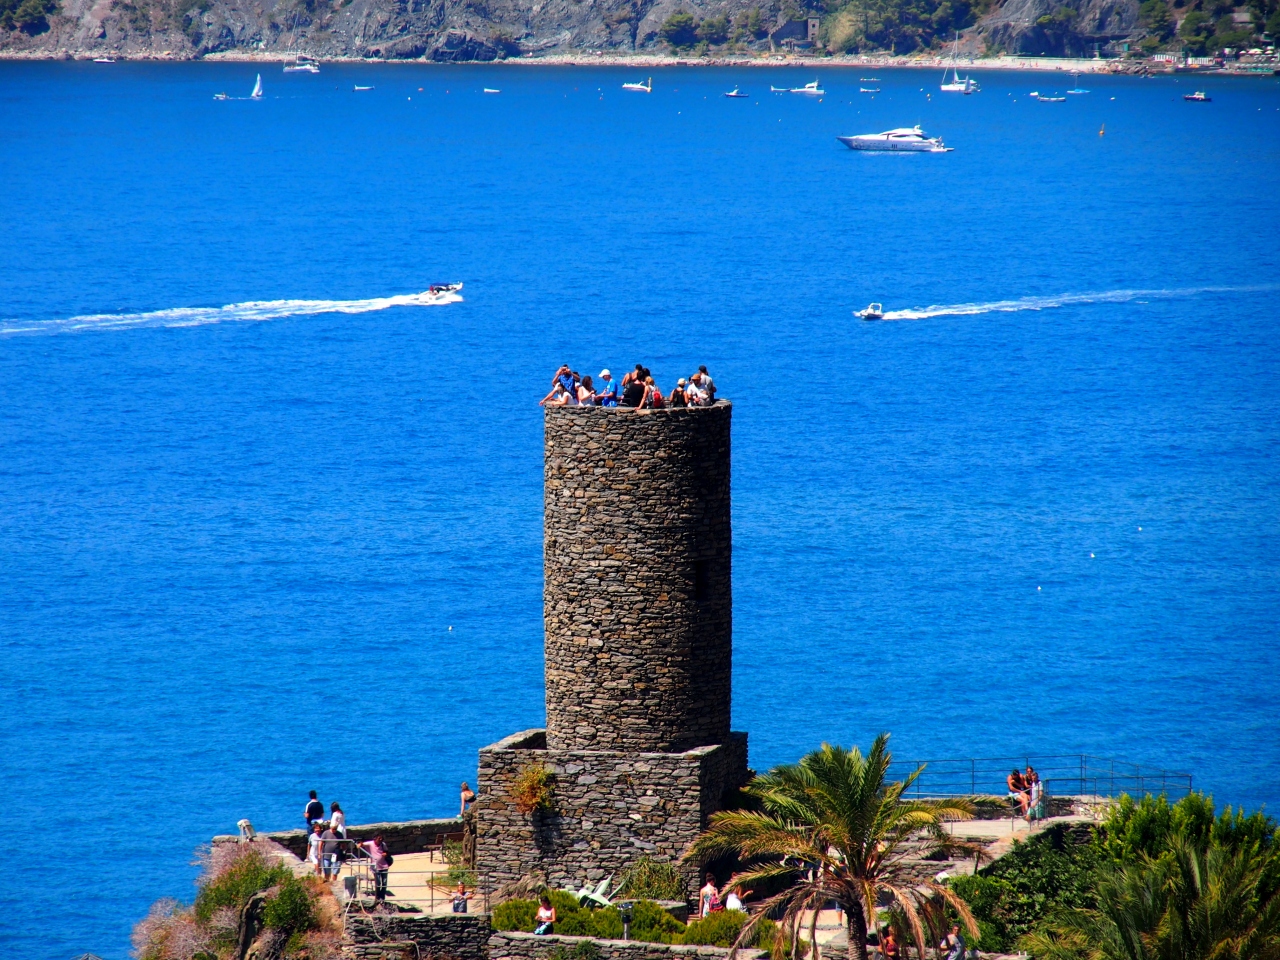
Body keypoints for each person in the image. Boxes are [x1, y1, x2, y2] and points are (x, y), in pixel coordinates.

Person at [361, 834, 391, 903]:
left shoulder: (383, 844)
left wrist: (385, 853)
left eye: (381, 838)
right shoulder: (370, 843)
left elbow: (387, 852)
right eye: (379, 838)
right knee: (378, 883)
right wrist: (359, 844)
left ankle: (382, 898)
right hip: (375, 867)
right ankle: (377, 897)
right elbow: (362, 845)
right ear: (375, 838)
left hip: (384, 866)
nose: (380, 840)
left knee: (384, 883)